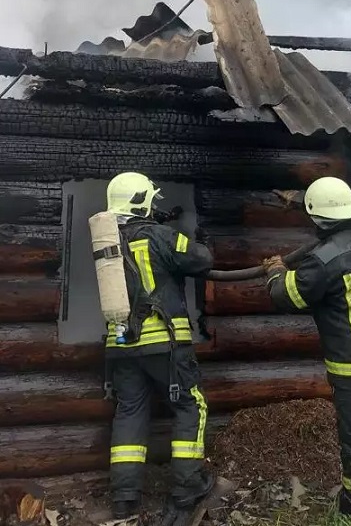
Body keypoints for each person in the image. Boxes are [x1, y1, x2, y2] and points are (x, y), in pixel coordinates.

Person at [262, 176, 351, 526]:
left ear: (319, 218)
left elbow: (288, 295)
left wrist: (276, 271)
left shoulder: (323, 261)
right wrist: (299, 198)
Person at [103, 172, 215, 525]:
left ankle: (124, 498)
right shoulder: (159, 236)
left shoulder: (107, 242)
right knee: (190, 405)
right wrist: (201, 241)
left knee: (129, 412)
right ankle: (187, 486)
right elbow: (200, 259)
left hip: (121, 344)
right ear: (142, 203)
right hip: (163, 343)